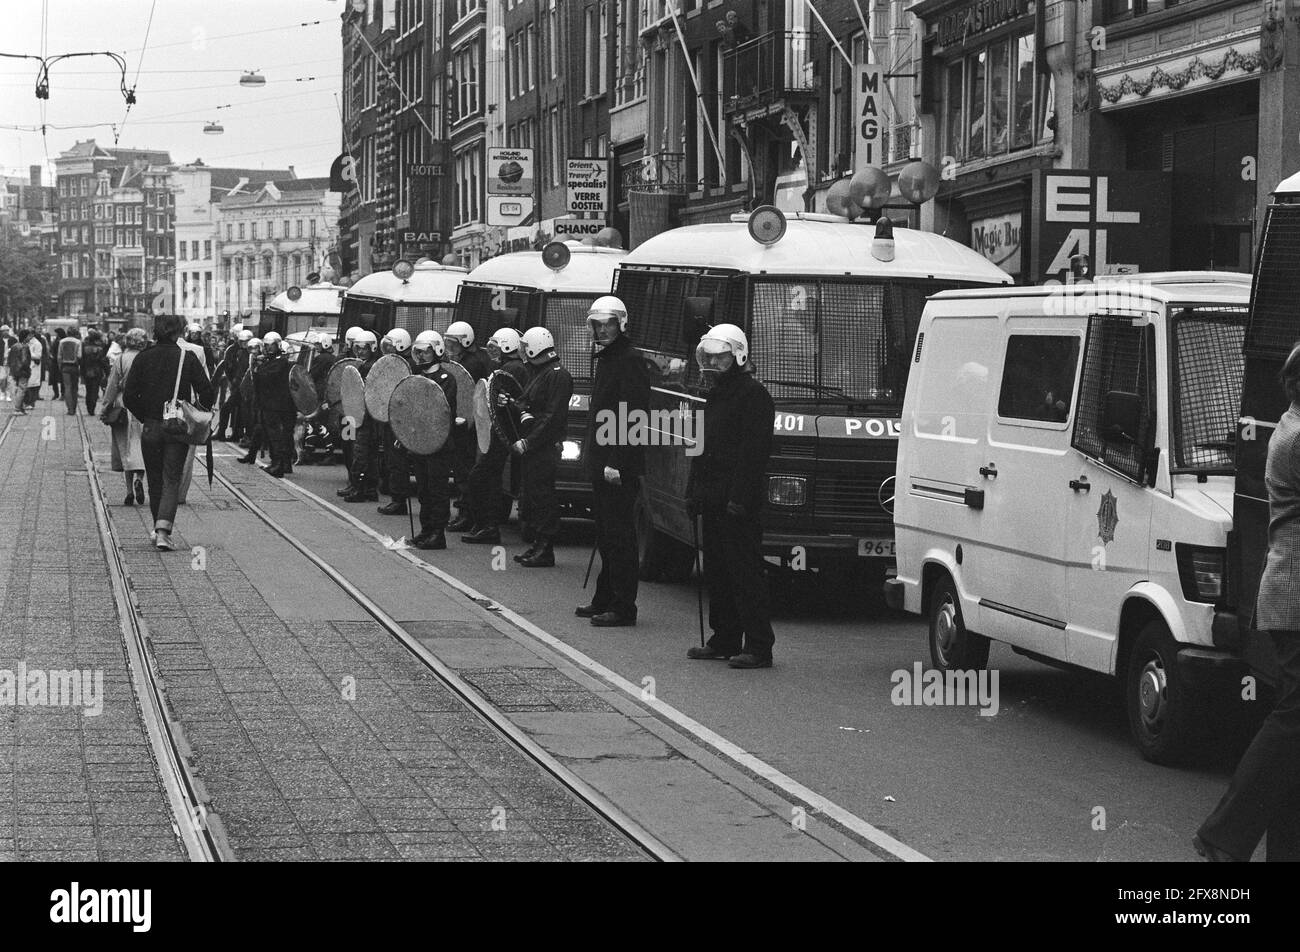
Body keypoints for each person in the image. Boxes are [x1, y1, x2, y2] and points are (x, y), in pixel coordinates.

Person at [1196, 343, 1300, 862]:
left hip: (1286, 593)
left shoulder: (1287, 425)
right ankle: (1223, 835)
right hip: (1294, 596)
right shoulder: (1299, 436)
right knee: (1295, 717)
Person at [685, 323, 776, 669]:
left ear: (738, 356)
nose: (713, 363)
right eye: (709, 357)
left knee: (745, 574)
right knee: (718, 573)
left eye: (721, 357)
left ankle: (758, 645)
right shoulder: (715, 394)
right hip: (711, 495)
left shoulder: (753, 395)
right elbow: (700, 446)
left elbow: (754, 453)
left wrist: (739, 497)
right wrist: (693, 491)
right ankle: (723, 638)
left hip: (738, 501)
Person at [576, 296, 649, 627]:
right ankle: (604, 597)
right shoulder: (607, 358)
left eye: (607, 324)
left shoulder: (629, 360)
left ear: (621, 324)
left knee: (620, 537)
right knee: (606, 534)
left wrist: (617, 461)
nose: (602, 330)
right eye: (597, 325)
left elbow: (632, 414)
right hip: (603, 460)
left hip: (618, 464)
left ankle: (623, 606)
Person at [122, 314, 214, 551]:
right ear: (178, 333)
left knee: (154, 479)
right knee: (171, 477)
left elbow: (129, 395)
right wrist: (195, 410)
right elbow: (207, 391)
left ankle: (156, 527)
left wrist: (147, 416)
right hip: (177, 425)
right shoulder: (187, 356)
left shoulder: (143, 357)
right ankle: (163, 532)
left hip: (151, 425)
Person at [511, 326, 573, 568]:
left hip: (544, 447)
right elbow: (529, 404)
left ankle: (545, 549)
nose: (523, 351)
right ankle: (537, 544)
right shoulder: (540, 371)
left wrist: (529, 441)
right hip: (535, 447)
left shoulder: (557, 374)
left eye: (526, 347)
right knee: (534, 496)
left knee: (543, 496)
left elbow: (552, 416)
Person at [462, 328, 529, 545]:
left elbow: (509, 402)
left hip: (503, 435)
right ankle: (484, 525)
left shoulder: (513, 368)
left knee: (482, 478)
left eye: (496, 346)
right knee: (487, 479)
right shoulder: (506, 366)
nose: (492, 350)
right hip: (498, 434)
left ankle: (488, 526)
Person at [402, 330, 458, 550]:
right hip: (419, 444)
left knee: (437, 489)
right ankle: (426, 530)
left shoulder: (447, 379)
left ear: (437, 351)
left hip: (438, 444)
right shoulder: (417, 378)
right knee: (424, 489)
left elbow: (439, 412)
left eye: (425, 352)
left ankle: (438, 533)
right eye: (418, 352)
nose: (421, 356)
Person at [444, 320, 492, 532]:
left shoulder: (471, 364)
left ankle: (467, 513)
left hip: (469, 425)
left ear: (466, 342)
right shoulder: (473, 360)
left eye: (453, 345)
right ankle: (466, 512)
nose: (450, 350)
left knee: (465, 470)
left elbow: (468, 394)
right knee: (463, 469)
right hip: (468, 424)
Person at [99, 327, 148, 507]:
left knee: (125, 448)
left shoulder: (121, 359)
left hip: (123, 405)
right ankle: (140, 480)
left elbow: (112, 385)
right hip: (144, 406)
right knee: (142, 446)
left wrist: (105, 407)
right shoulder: (148, 358)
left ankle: (128, 491)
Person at [377, 328, 416, 514]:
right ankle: (395, 495)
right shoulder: (394, 363)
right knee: (392, 459)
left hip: (400, 420)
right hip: (391, 417)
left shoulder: (407, 366)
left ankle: (399, 500)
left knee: (398, 461)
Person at [342, 329, 382, 502]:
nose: (360, 351)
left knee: (360, 453)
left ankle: (359, 489)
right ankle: (369, 489)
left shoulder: (368, 366)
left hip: (364, 418)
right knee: (369, 454)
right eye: (357, 348)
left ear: (372, 348)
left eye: (364, 348)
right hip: (361, 417)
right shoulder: (367, 364)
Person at [236, 337, 269, 465]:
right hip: (257, 398)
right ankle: (251, 455)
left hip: (268, 401)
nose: (254, 351)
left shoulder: (268, 361)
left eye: (256, 348)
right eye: (251, 348)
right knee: (258, 428)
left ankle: (280, 463)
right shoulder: (254, 360)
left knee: (268, 432)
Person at [79, 329, 110, 415]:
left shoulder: (84, 347)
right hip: (97, 372)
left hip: (87, 371)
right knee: (95, 390)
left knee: (88, 390)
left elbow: (82, 361)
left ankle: (89, 407)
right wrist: (107, 372)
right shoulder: (100, 349)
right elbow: (102, 361)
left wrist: (81, 371)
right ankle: (92, 407)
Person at [5, 329, 33, 414]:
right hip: (22, 371)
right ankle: (17, 408)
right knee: (22, 389)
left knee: (18, 389)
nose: (30, 337)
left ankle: (20, 408)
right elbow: (25, 361)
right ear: (25, 337)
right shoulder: (25, 347)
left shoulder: (14, 346)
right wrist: (28, 369)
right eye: (29, 336)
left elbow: (9, 359)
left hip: (14, 371)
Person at [57, 328, 83, 415]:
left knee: (67, 387)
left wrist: (60, 366)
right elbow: (79, 356)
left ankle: (69, 409)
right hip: (74, 367)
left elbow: (59, 356)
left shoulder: (62, 342)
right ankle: (74, 408)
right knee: (74, 388)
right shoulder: (78, 342)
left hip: (65, 367)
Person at [24, 330, 44, 409]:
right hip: (27, 366)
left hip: (34, 366)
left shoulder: (37, 343)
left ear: (32, 334)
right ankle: (27, 403)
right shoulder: (26, 342)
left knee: (33, 386)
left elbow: (38, 356)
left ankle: (31, 403)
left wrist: (28, 354)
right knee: (27, 385)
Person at [0, 324, 11, 402]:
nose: (5, 332)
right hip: (1, 362)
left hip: (10, 362)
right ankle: (2, 393)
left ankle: (8, 394)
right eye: (4, 331)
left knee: (9, 379)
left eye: (7, 330)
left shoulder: (13, 340)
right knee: (2, 378)